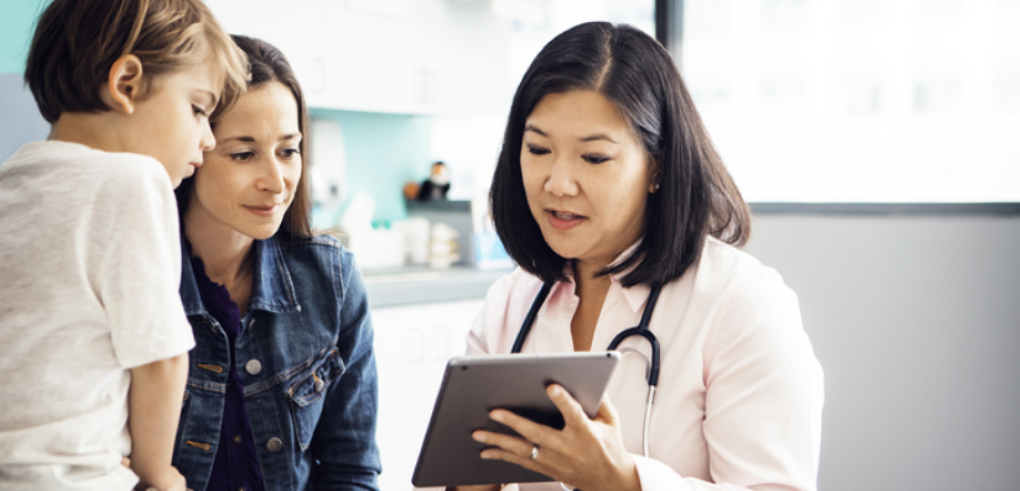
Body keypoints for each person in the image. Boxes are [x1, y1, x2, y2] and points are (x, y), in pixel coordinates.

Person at [456, 22, 824, 491]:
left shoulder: (741, 302)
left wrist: (625, 481)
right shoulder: (511, 303)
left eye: (594, 158)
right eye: (538, 149)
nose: (557, 183)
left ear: (658, 166)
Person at [0, 1, 248, 490]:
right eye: (198, 109)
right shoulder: (134, 181)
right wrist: (160, 473)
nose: (207, 140)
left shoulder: (10, 182)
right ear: (127, 83)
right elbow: (161, 356)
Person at [170, 35, 381, 491]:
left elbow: (351, 470)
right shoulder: (138, 278)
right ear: (193, 151)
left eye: (288, 151)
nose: (276, 181)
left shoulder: (333, 281)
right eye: (243, 154)